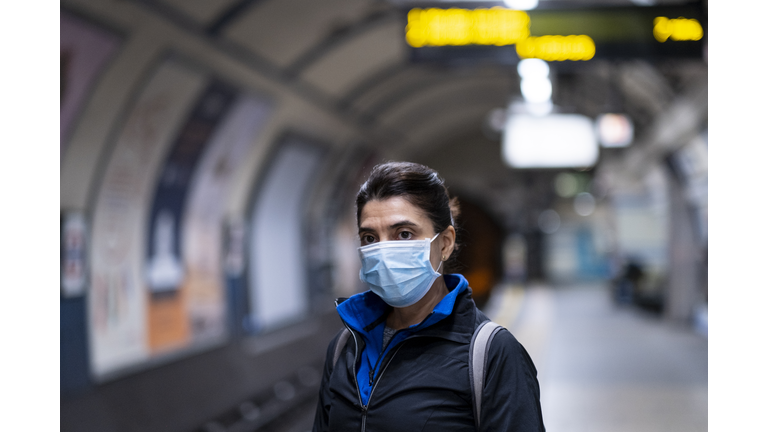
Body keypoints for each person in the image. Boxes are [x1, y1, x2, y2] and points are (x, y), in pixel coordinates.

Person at [313, 161, 545, 431]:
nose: (384, 251)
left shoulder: (490, 354)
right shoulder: (345, 346)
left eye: (404, 234)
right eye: (369, 238)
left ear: (445, 243)